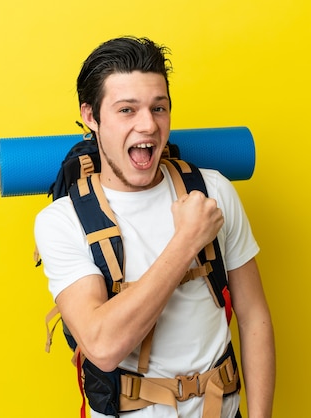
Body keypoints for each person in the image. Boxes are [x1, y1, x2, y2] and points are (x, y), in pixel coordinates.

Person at [34, 36, 275, 418]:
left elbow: (254, 315)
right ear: (91, 117)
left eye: (158, 108)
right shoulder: (62, 222)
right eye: (127, 110)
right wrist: (186, 242)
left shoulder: (213, 191)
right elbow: (103, 346)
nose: (148, 125)